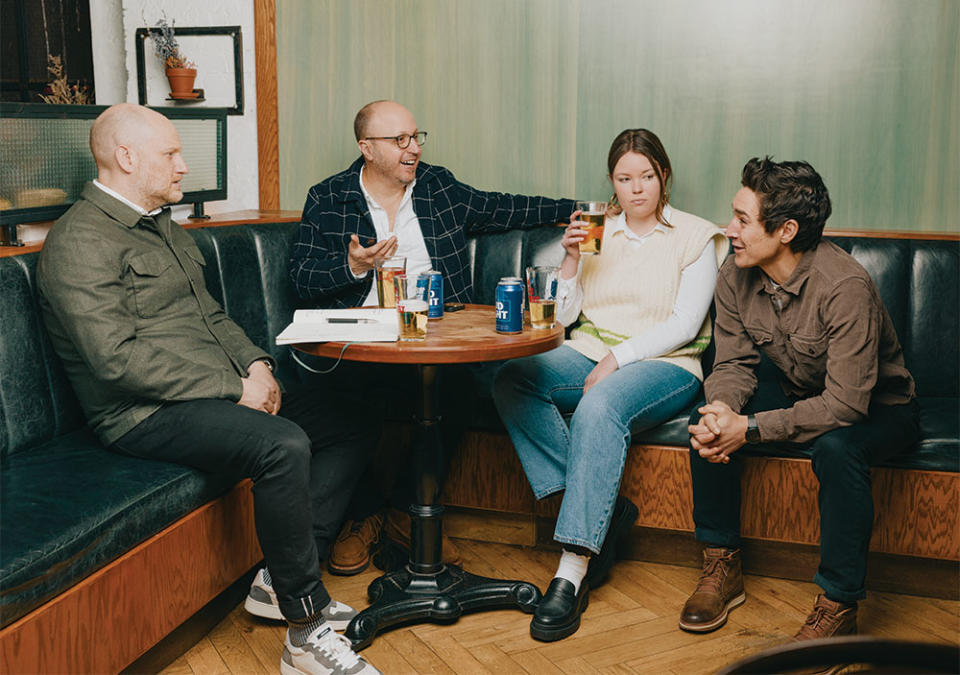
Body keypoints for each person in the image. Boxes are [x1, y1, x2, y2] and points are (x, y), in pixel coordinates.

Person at [36, 103, 380, 675]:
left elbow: (211, 315)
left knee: (355, 419)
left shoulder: (159, 225)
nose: (182, 166)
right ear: (126, 157)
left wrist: (257, 365)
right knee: (283, 443)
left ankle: (279, 580)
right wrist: (231, 387)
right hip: (141, 414)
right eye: (170, 154)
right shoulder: (80, 241)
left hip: (212, 391)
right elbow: (114, 362)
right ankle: (304, 630)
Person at [289, 100, 575, 576]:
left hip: (437, 336)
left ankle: (406, 514)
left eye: (417, 136)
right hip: (359, 341)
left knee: (457, 387)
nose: (413, 148)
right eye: (399, 140)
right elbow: (300, 277)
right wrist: (354, 266)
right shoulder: (329, 197)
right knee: (341, 402)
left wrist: (576, 210)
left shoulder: (438, 186)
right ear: (366, 148)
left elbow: (502, 207)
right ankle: (362, 518)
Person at [493, 129, 727, 641]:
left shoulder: (697, 236)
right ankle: (605, 508)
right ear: (612, 183)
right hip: (589, 348)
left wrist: (619, 358)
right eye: (625, 178)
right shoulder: (600, 230)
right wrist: (571, 260)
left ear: (664, 176)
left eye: (647, 176)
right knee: (512, 377)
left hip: (667, 363)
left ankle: (571, 569)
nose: (637, 188)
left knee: (599, 406)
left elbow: (687, 325)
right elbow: (566, 317)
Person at [680, 157, 918, 643]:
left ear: (786, 230)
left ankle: (838, 606)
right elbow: (732, 365)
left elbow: (846, 407)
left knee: (838, 449)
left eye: (743, 220)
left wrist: (747, 429)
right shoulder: (734, 273)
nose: (730, 230)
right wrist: (724, 411)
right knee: (706, 418)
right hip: (801, 392)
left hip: (881, 407)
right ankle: (721, 563)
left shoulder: (844, 286)